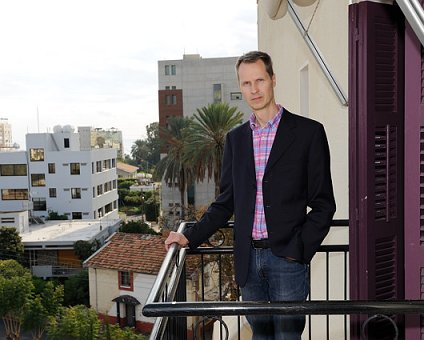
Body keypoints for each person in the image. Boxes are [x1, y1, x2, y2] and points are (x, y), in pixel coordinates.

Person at [164, 50, 336, 339]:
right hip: (248, 260)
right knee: (260, 335)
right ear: (240, 87)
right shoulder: (235, 139)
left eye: (260, 80)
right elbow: (225, 201)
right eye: (246, 83)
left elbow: (323, 204)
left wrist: (300, 250)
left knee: (288, 336)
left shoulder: (309, 133)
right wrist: (190, 236)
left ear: (273, 80)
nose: (254, 89)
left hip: (287, 259)